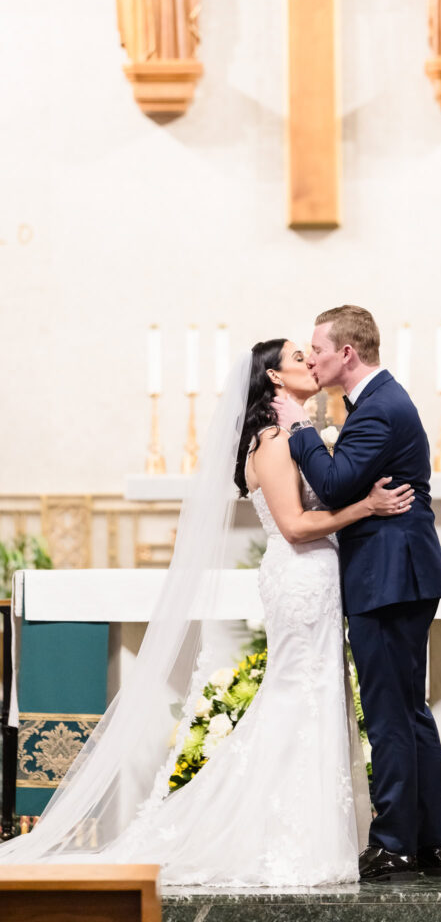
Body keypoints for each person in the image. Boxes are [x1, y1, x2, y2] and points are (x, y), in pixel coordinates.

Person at [0, 340, 414, 886]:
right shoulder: (270, 442)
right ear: (272, 378)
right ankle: (278, 839)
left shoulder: (294, 436)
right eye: (298, 358)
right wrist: (366, 507)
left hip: (316, 575)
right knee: (297, 696)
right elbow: (292, 525)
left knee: (312, 697)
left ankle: (303, 834)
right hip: (299, 575)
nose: (310, 364)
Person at [274, 305, 441, 882]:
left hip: (387, 577)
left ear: (346, 353)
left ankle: (396, 843)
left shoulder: (379, 409)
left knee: (389, 715)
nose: (313, 358)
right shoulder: (381, 402)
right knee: (409, 709)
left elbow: (328, 484)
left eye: (318, 350)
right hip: (399, 574)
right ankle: (433, 842)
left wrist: (299, 426)